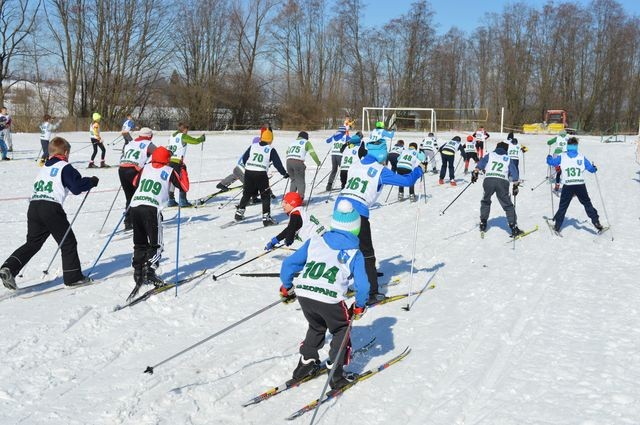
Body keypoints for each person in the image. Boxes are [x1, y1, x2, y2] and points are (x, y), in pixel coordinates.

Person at [279, 199, 369, 390]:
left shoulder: (316, 240)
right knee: (341, 329)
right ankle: (335, 373)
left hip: (305, 294)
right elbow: (363, 285)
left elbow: (288, 264)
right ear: (355, 228)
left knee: (316, 324)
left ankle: (306, 364)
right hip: (330, 298)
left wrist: (287, 287)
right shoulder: (354, 252)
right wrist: (359, 306)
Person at [0, 137, 99, 290]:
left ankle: (9, 267)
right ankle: (73, 277)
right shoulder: (65, 167)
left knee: (33, 243)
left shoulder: (44, 167)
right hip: (51, 207)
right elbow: (76, 187)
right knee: (68, 242)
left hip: (34, 207)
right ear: (65, 152)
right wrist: (90, 181)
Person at [335, 139, 423, 304]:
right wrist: (419, 170)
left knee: (343, 248)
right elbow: (406, 181)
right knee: (366, 253)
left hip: (339, 208)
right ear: (382, 154)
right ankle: (372, 293)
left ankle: (339, 283)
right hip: (356, 213)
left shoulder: (355, 164)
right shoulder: (380, 170)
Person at [128, 146, 190, 291]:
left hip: (135, 206)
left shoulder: (146, 168)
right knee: (156, 244)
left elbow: (134, 183)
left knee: (140, 242)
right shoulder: (169, 170)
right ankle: (149, 271)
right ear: (167, 159)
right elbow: (184, 187)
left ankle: (138, 272)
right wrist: (184, 170)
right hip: (151, 208)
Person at [545, 137, 603, 233]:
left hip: (568, 185)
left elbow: (551, 162)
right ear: (576, 147)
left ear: (568, 146)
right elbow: (591, 169)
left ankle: (557, 226)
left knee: (563, 206)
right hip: (580, 185)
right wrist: (594, 168)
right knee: (587, 204)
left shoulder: (562, 157)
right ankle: (596, 222)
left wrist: (549, 158)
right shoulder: (581, 157)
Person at [234, 128, 288, 226]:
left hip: (249, 172)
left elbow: (245, 158)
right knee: (265, 195)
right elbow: (277, 164)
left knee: (247, 193)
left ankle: (239, 213)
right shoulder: (271, 149)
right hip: (261, 174)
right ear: (270, 139)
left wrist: (252, 165)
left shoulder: (253, 146)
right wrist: (284, 173)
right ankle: (266, 218)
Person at [471, 141, 523, 237]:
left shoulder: (490, 155)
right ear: (506, 150)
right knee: (507, 205)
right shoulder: (508, 158)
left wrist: (475, 172)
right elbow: (514, 171)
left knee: (485, 201)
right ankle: (513, 227)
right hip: (502, 182)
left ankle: (483, 223)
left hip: (488, 180)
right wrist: (515, 184)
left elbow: (481, 163)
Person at [119, 127, 157, 230]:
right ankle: (143, 220)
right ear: (150, 136)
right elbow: (158, 154)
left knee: (129, 197)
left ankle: (128, 221)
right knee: (140, 196)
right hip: (134, 171)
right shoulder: (148, 144)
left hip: (122, 169)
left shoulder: (130, 143)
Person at [166, 122, 205, 207]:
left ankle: (171, 200)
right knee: (182, 180)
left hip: (169, 161)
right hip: (177, 162)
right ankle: (183, 201)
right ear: (184, 129)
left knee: (172, 180)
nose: (187, 132)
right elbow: (194, 141)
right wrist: (201, 139)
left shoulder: (172, 135)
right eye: (187, 130)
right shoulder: (183, 136)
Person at [286, 131, 321, 200]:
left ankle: (290, 198)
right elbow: (312, 153)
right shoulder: (306, 142)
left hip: (288, 162)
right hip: (298, 162)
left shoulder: (292, 142)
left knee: (293, 180)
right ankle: (300, 198)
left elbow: (287, 152)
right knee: (300, 181)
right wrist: (318, 162)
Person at [325, 126, 350, 192]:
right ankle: (343, 185)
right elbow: (352, 140)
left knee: (334, 170)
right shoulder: (345, 137)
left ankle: (329, 185)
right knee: (343, 170)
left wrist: (333, 137)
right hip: (340, 155)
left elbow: (327, 141)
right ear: (344, 131)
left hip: (333, 155)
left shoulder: (334, 136)